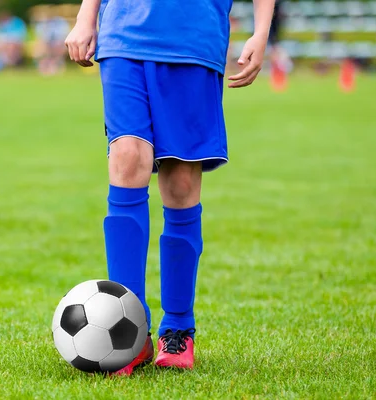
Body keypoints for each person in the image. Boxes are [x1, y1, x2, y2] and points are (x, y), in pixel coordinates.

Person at [65, 0, 274, 374]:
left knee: (179, 184)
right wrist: (86, 16)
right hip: (124, 36)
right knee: (127, 158)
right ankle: (129, 329)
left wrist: (261, 30)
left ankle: (177, 327)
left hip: (193, 41)